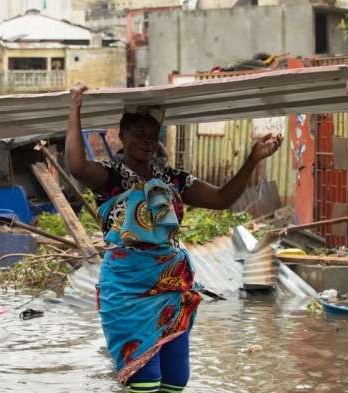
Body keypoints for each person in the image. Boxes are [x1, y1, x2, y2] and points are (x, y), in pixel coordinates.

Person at [65, 83, 282, 392]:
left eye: (152, 136)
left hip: (171, 284)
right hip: (127, 287)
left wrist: (253, 159)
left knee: (176, 379)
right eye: (139, 133)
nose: (147, 141)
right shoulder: (109, 175)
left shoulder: (170, 178)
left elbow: (221, 198)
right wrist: (75, 108)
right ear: (122, 134)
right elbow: (76, 166)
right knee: (146, 378)